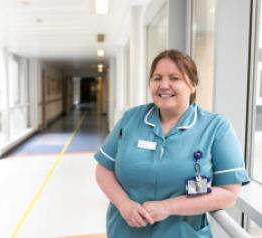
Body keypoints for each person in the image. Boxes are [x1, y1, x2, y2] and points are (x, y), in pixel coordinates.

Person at [94, 49, 250, 237]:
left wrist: (168, 207)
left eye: (175, 78)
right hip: (126, 230)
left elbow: (228, 193)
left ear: (192, 85)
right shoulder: (130, 119)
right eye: (157, 78)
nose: (164, 85)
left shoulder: (216, 128)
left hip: (183, 233)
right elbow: (104, 169)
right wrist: (123, 204)